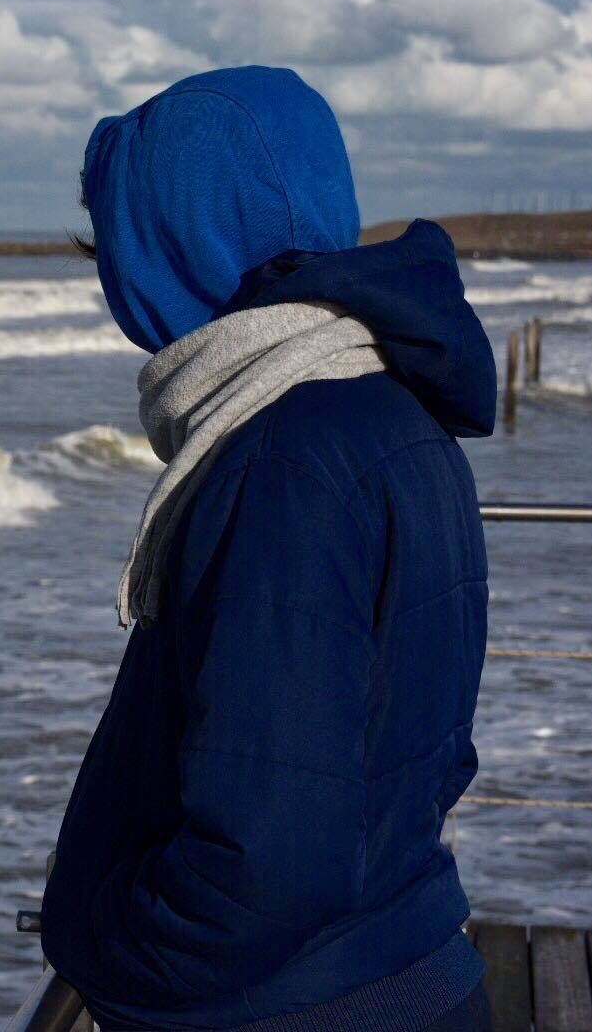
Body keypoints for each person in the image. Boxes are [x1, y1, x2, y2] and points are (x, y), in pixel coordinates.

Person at [41, 65, 498, 1031]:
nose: (107, 282)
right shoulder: (398, 413)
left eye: (113, 247)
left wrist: (102, 938)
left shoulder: (284, 457)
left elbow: (264, 866)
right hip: (404, 971)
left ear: (177, 245)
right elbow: (424, 756)